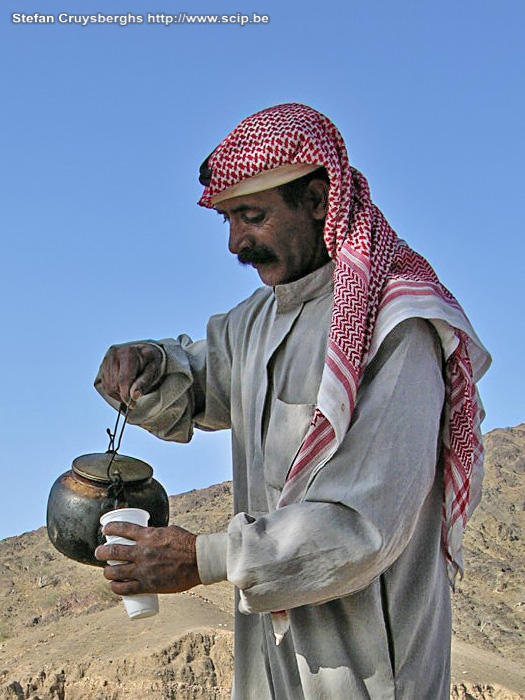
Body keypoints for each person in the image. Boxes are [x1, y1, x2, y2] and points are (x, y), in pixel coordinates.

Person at [94, 103, 491, 699]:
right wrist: (145, 367)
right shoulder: (256, 321)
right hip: (270, 667)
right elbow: (197, 381)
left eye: (252, 217)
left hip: (365, 669)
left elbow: (364, 528)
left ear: (316, 199)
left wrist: (203, 559)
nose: (236, 243)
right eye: (227, 221)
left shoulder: (396, 326)